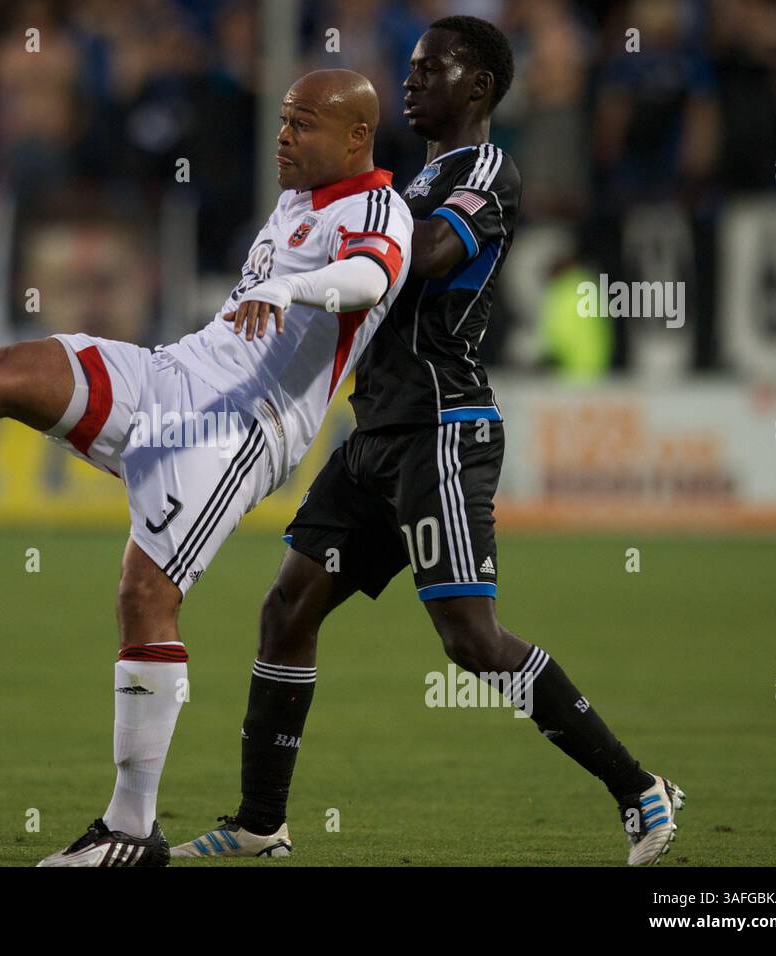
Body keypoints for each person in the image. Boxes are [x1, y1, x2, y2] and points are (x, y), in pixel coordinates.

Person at [0, 69, 414, 867]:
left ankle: (130, 830)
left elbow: (370, 277)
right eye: (284, 121)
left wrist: (298, 288)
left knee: (146, 596)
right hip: (172, 373)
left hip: (240, 425)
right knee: (13, 368)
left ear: (357, 136)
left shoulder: (377, 208)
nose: (283, 136)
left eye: (301, 124)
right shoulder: (299, 196)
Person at [174, 16, 684, 867]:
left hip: (443, 430)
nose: (408, 82)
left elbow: (433, 255)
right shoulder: (403, 185)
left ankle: (639, 790)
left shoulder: (486, 170)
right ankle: (260, 824)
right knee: (286, 609)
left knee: (471, 641)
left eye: (428, 68)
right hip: (376, 432)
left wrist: (331, 263)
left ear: (478, 86)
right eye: (407, 69)